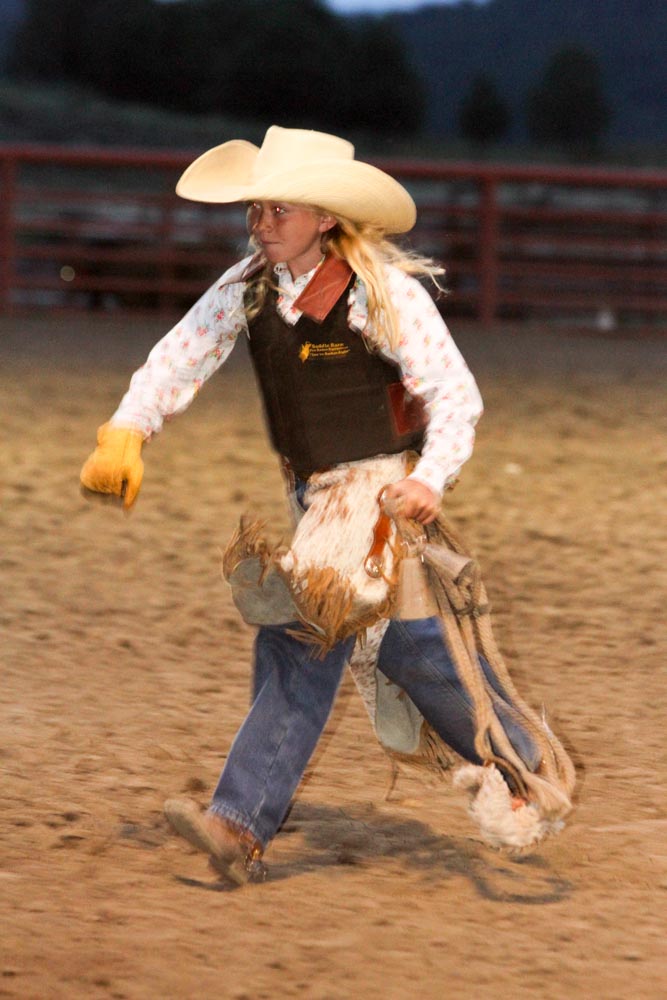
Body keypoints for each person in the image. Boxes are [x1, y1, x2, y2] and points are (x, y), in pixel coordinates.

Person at [81, 126, 574, 886]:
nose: (263, 221)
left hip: (373, 491)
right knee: (412, 652)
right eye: (259, 208)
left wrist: (428, 479)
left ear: (325, 218)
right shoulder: (244, 287)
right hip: (316, 497)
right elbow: (180, 353)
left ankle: (240, 821)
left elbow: (455, 396)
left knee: (301, 630)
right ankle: (527, 771)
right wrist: (127, 428)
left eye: (282, 208)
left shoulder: (382, 293)